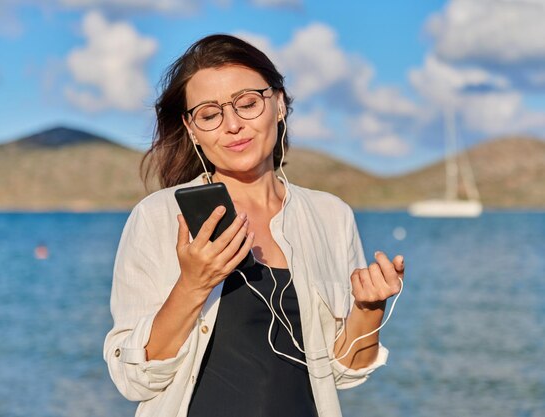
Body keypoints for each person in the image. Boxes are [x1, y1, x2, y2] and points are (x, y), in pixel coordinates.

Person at [103, 34, 405, 417]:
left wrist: (370, 307)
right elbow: (132, 379)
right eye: (210, 115)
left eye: (247, 104)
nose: (232, 125)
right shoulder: (158, 217)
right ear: (192, 128)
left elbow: (345, 371)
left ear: (278, 104)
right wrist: (193, 284)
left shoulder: (332, 215)